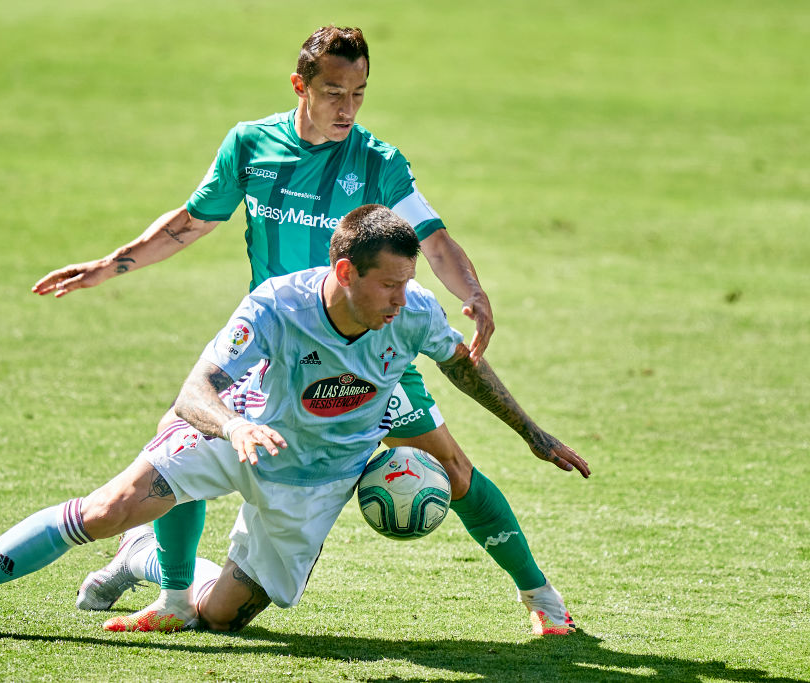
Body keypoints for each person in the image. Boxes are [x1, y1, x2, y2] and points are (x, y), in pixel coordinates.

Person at [31, 26, 589, 634]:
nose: (347, 108)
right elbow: (191, 222)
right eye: (333, 93)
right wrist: (111, 264)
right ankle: (169, 589)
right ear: (301, 86)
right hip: (275, 352)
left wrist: (472, 294)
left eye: (359, 93)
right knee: (180, 448)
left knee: (453, 471)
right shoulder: (251, 145)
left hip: (367, 352)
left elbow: (432, 238)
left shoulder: (378, 161)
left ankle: (541, 598)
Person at [0, 206, 588, 640]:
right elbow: (195, 390)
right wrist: (232, 428)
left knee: (220, 618)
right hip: (239, 434)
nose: (401, 297)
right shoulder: (277, 305)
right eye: (388, 283)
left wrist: (533, 434)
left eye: (408, 282)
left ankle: (142, 559)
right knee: (107, 506)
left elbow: (461, 366)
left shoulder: (411, 313)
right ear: (344, 271)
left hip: (315, 481)